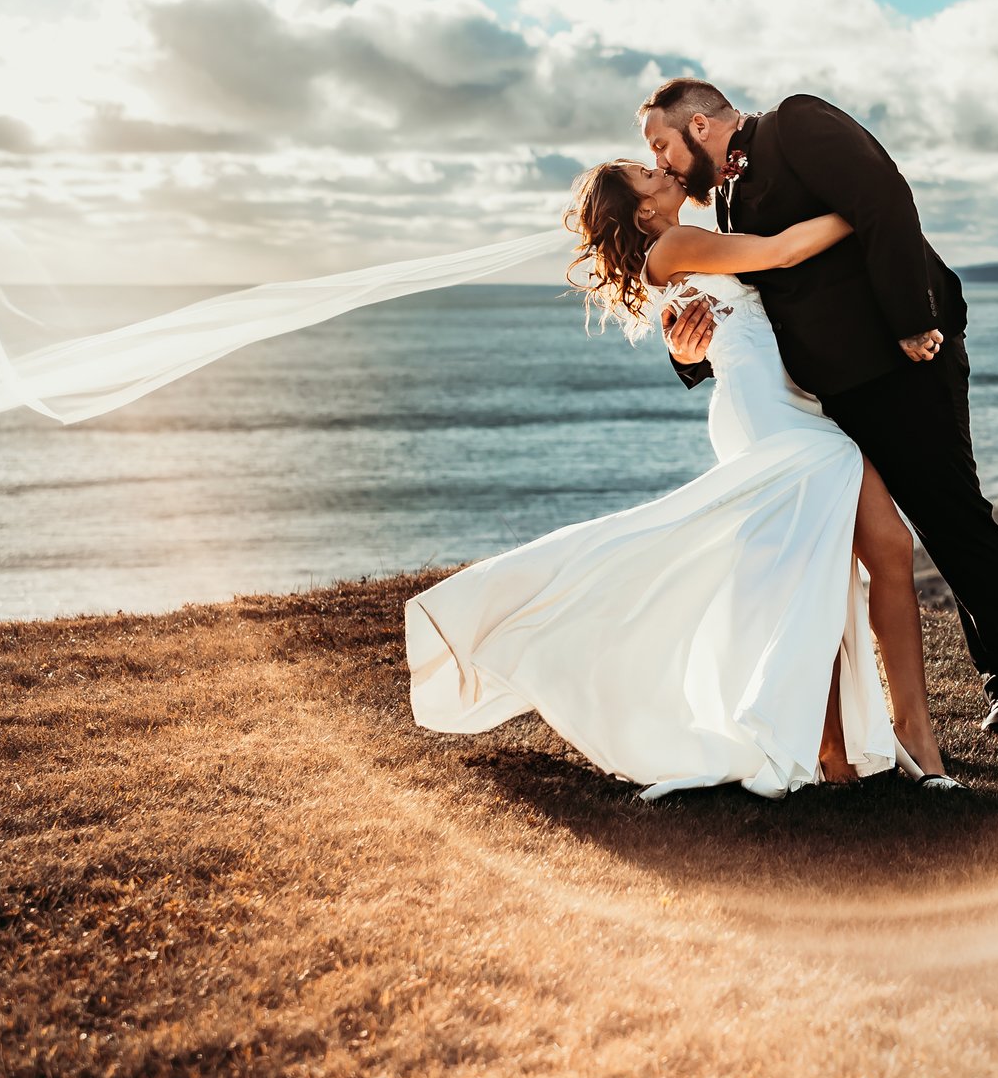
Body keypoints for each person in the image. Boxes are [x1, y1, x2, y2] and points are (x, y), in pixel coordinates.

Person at [403, 159, 962, 798]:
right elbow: (780, 254)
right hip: (769, 418)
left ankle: (855, 750)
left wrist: (685, 350)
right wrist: (872, 203)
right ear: (644, 211)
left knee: (837, 566)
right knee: (861, 557)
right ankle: (882, 747)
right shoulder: (674, 245)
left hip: (785, 407)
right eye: (648, 172)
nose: (664, 169)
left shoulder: (691, 243)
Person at [639, 78, 998, 735]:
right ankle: (852, 725)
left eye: (663, 144)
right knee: (852, 548)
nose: (662, 162)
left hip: (904, 364)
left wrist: (914, 323)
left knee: (951, 518)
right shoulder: (728, 201)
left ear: (701, 127)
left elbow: (882, 197)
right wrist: (689, 357)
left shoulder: (795, 124)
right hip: (822, 400)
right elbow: (749, 307)